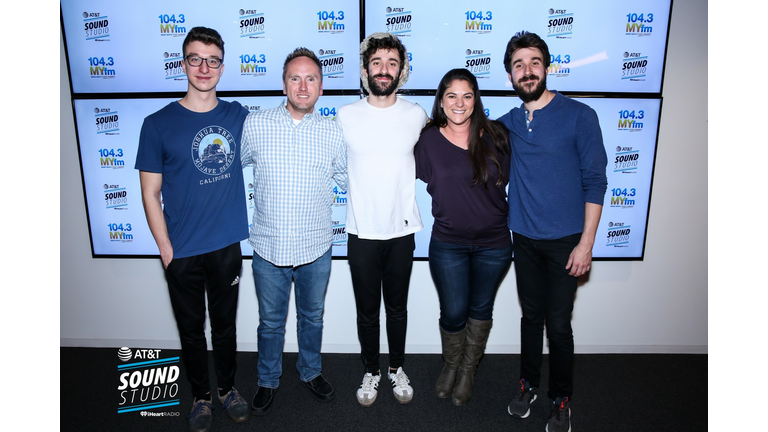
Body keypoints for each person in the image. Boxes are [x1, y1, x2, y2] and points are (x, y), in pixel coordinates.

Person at [135, 26, 250, 432]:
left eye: (213, 59)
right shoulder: (158, 124)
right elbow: (150, 193)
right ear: (183, 64)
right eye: (196, 59)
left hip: (226, 247)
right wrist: (165, 248)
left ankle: (227, 389)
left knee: (224, 327)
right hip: (181, 251)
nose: (204, 67)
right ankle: (201, 397)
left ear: (223, 65)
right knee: (191, 331)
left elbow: (279, 135)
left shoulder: (238, 116)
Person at [498, 31, 608, 432]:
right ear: (510, 75)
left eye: (534, 63)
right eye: (518, 65)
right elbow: (462, 131)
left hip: (567, 243)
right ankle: (527, 384)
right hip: (523, 238)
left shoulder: (580, 116)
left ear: (547, 67)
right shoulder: (508, 122)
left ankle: (561, 400)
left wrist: (586, 244)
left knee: (558, 326)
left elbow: (596, 182)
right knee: (531, 317)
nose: (527, 71)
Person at [241, 47, 347, 416]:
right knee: (270, 323)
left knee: (312, 318)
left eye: (311, 78)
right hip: (268, 248)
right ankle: (268, 380)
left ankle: (310, 372)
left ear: (321, 87)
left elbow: (350, 180)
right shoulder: (255, 124)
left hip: (316, 248)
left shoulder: (334, 132)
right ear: (283, 83)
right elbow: (224, 171)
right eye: (295, 78)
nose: (303, 86)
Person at [335, 32, 427, 407]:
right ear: (365, 70)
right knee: (367, 312)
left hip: (402, 231)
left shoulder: (417, 114)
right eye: (377, 63)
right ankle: (371, 369)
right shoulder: (345, 116)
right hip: (360, 232)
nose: (384, 69)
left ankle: (396, 368)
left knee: (398, 309)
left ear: (401, 70)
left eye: (392, 62)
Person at [414, 68, 511, 406]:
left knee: (481, 308)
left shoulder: (497, 135)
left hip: (495, 244)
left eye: (467, 95)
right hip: (448, 243)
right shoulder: (427, 140)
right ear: (441, 100)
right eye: (451, 95)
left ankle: (468, 370)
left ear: (476, 99)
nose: (459, 102)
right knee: (454, 312)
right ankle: (451, 365)